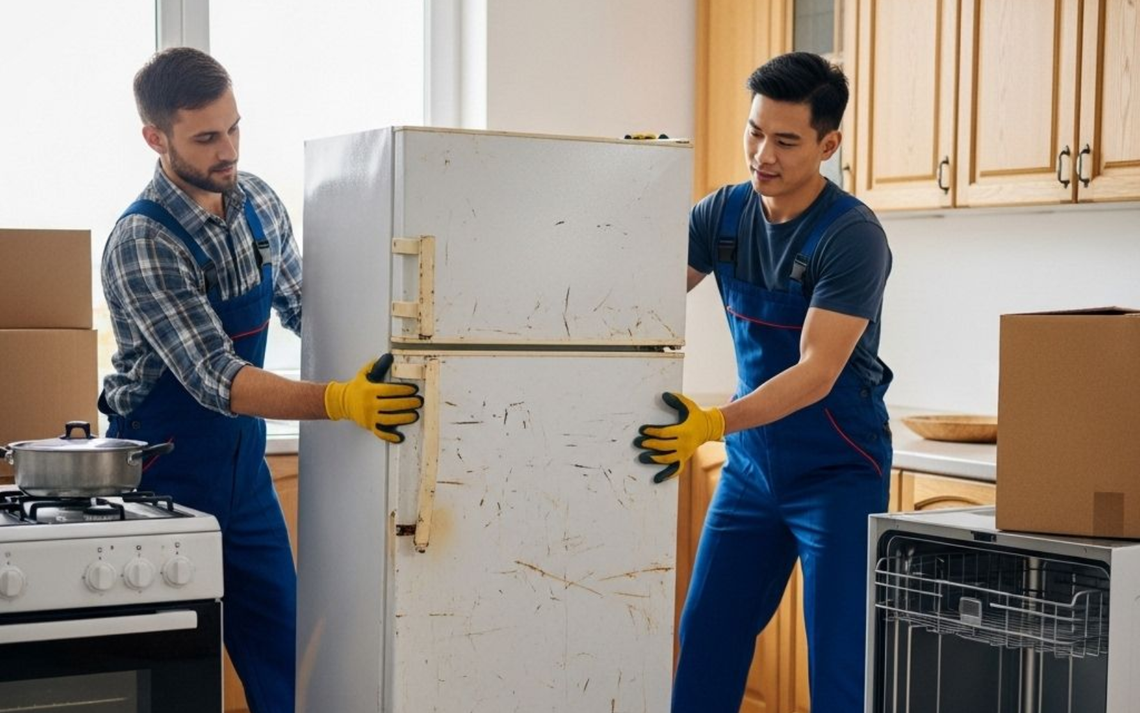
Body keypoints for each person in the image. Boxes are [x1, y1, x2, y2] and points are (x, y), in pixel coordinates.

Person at [99, 47, 423, 713]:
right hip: (163, 483)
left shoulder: (259, 205)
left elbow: (309, 308)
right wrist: (340, 400)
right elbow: (219, 378)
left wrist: (408, 354)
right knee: (169, 671)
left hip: (244, 481)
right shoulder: (142, 239)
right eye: (207, 137)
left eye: (235, 127)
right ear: (155, 138)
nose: (229, 151)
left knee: (286, 659)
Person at [634, 52, 893, 712]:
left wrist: (714, 421)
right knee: (705, 642)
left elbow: (815, 372)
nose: (762, 156)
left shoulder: (851, 236)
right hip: (751, 472)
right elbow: (635, 305)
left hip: (837, 471)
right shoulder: (720, 217)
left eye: (786, 140)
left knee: (840, 669)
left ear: (828, 144)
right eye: (754, 132)